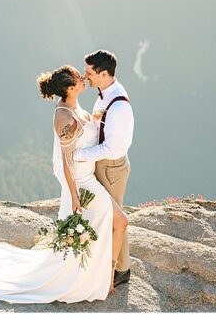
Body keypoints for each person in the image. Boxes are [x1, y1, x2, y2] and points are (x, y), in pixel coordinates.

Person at [0, 65, 128, 303]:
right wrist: (74, 196)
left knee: (102, 228)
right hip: (83, 184)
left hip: (89, 179)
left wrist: (96, 120)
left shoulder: (74, 106)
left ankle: (106, 272)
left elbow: (84, 134)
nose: (84, 78)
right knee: (119, 222)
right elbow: (67, 162)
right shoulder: (64, 117)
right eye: (78, 78)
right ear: (70, 88)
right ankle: (108, 275)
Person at [75, 49, 134, 288]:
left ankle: (122, 269)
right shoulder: (104, 94)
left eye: (89, 72)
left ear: (103, 74)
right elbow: (99, 125)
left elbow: (111, 148)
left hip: (111, 167)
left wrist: (79, 155)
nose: (85, 76)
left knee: (115, 217)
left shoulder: (119, 106)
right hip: (103, 165)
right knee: (106, 213)